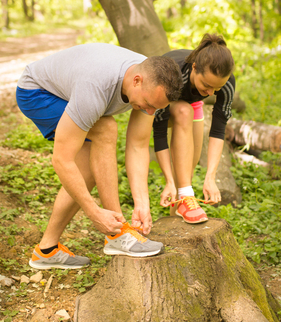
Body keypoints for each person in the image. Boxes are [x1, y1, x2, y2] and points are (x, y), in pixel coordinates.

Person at [16, 43, 182, 269]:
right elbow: (61, 160)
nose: (150, 112)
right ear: (136, 80)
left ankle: (47, 250)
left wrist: (142, 203)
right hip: (37, 92)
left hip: (72, 90)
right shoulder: (95, 87)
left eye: (156, 108)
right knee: (105, 128)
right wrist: (94, 212)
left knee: (90, 171)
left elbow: (138, 145)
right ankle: (117, 235)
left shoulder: (150, 80)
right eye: (149, 105)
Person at [153, 33, 235, 224]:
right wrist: (168, 180)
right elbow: (159, 133)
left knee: (186, 174)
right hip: (160, 100)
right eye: (206, 85)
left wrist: (210, 177)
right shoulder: (173, 74)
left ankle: (175, 223)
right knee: (183, 111)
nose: (211, 93)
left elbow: (217, 131)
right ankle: (181, 193)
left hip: (192, 104)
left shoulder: (226, 83)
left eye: (217, 88)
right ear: (194, 67)